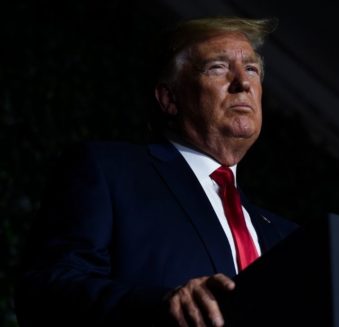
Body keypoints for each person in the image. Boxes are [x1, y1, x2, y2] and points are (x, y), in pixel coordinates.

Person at [15, 16, 298, 327]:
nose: (243, 82)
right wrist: (161, 305)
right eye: (217, 67)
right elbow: (44, 292)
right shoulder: (110, 172)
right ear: (169, 98)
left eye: (252, 69)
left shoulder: (286, 236)